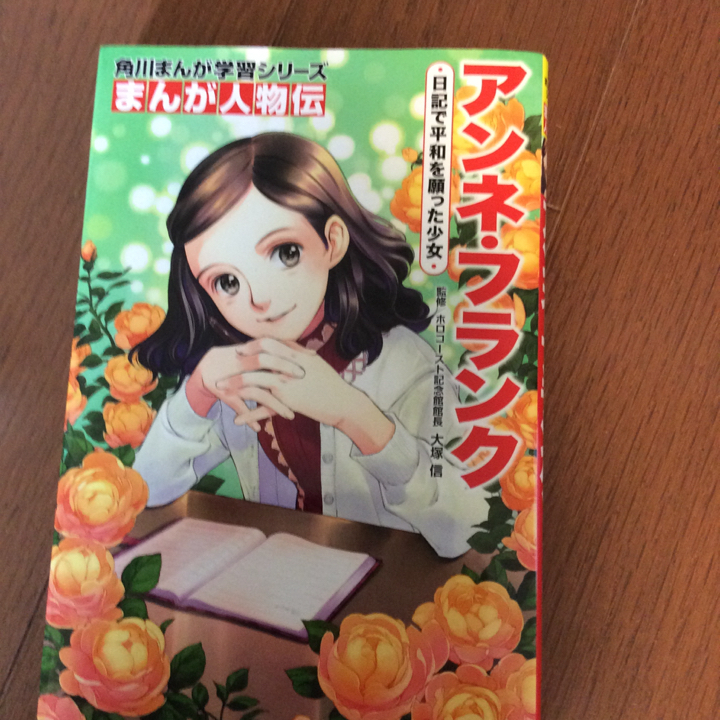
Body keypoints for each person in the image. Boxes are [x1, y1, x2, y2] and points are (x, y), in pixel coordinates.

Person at [133, 132, 490, 558]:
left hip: (387, 584)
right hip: (274, 577)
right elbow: (148, 489)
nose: (259, 299)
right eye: (226, 282)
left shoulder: (401, 362)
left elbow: (468, 529)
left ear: (332, 241)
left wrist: (355, 415)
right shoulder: (240, 366)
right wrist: (198, 391)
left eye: (285, 253)